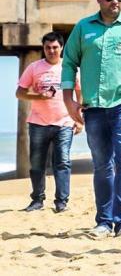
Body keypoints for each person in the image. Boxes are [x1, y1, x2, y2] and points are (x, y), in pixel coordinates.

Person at [61, 0, 121, 239]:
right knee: (102, 166)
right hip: (92, 108)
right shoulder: (84, 28)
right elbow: (69, 63)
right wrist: (68, 100)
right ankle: (104, 222)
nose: (115, 2)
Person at [17, 32, 80, 213]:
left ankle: (61, 202)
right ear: (43, 49)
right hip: (38, 123)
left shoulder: (70, 67)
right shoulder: (34, 67)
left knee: (62, 162)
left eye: (55, 47)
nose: (51, 51)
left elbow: (79, 91)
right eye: (47, 48)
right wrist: (38, 95)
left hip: (64, 122)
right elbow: (19, 93)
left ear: (61, 48)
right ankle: (37, 200)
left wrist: (79, 119)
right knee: (37, 164)